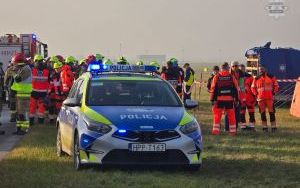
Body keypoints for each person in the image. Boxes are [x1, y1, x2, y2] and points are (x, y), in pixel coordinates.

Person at [210, 63, 239, 136]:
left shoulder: (217, 76)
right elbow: (236, 89)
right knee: (231, 116)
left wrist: (212, 100)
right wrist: (237, 99)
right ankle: (233, 132)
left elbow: (212, 89)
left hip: (219, 100)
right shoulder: (231, 76)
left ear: (221, 68)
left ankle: (215, 132)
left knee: (217, 116)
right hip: (229, 100)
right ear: (228, 68)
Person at [251, 66, 279, 132]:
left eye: (262, 69)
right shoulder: (256, 78)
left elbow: (276, 85)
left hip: (269, 98)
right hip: (260, 99)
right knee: (262, 113)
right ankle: (264, 128)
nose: (261, 71)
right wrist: (256, 94)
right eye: (260, 70)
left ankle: (273, 127)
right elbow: (252, 87)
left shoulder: (271, 77)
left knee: (272, 113)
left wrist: (274, 92)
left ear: (265, 69)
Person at [10, 53, 32, 135]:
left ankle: (24, 129)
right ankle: (19, 129)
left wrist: (13, 72)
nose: (14, 64)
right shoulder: (21, 68)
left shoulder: (26, 69)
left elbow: (18, 79)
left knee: (23, 113)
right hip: (19, 94)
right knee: (19, 113)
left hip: (24, 94)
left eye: (15, 62)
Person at [29, 55, 50, 125]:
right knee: (41, 108)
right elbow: (49, 82)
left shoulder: (32, 70)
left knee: (32, 107)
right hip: (43, 93)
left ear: (35, 61)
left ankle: (31, 121)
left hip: (33, 92)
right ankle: (40, 122)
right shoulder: (47, 71)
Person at [224, 61, 243, 131]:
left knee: (237, 113)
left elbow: (242, 87)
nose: (235, 67)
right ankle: (226, 128)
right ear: (231, 67)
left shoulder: (241, 74)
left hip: (239, 96)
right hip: (230, 96)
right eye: (233, 66)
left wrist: (241, 98)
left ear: (238, 66)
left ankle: (235, 128)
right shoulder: (228, 75)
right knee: (228, 112)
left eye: (236, 66)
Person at [239, 64, 256, 131]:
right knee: (242, 113)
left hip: (249, 98)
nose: (242, 70)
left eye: (243, 69)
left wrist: (254, 96)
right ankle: (243, 127)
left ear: (245, 69)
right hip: (241, 98)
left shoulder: (250, 77)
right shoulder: (237, 77)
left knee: (251, 113)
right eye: (240, 69)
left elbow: (254, 87)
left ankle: (252, 127)